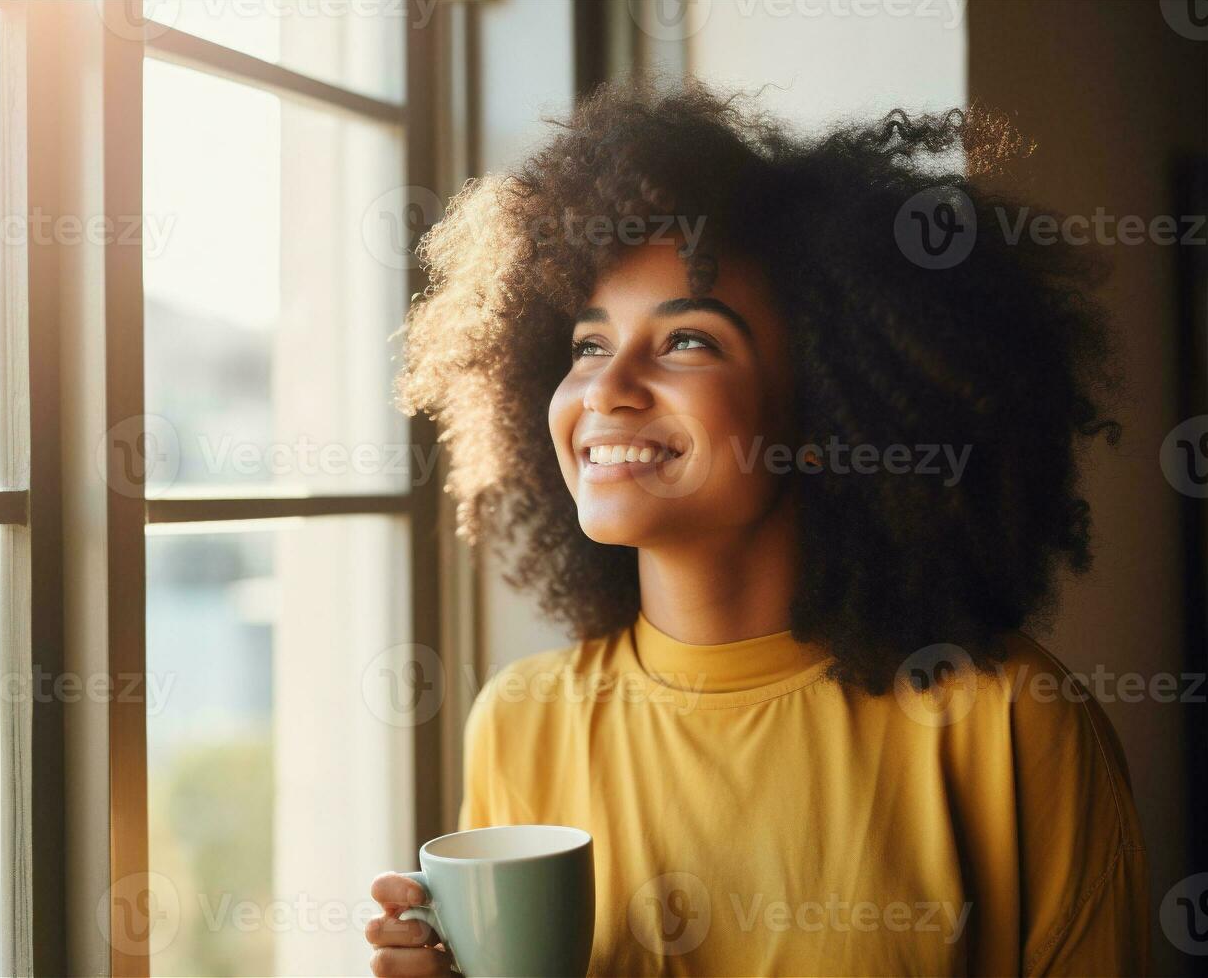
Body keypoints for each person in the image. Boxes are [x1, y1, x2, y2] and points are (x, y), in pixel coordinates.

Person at [366, 75, 1149, 976]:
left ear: (822, 419)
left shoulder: (1010, 720)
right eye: (587, 345)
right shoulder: (521, 720)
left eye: (687, 341)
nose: (607, 389)